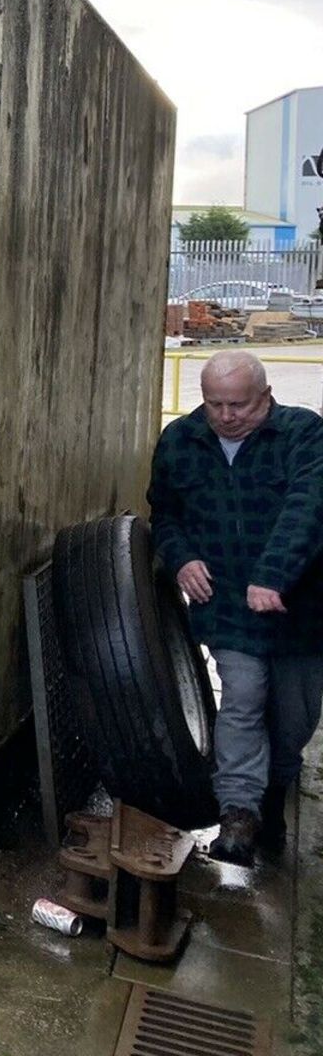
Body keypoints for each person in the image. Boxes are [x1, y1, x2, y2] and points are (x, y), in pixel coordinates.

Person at [148, 350, 323, 865]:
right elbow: (166, 512)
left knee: (293, 718)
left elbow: (309, 507)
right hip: (227, 604)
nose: (226, 416)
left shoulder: (303, 435)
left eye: (239, 405)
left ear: (266, 397)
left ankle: (276, 789)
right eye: (214, 404)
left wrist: (274, 576)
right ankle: (239, 814)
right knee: (243, 699)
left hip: (302, 609)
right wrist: (180, 559)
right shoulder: (181, 441)